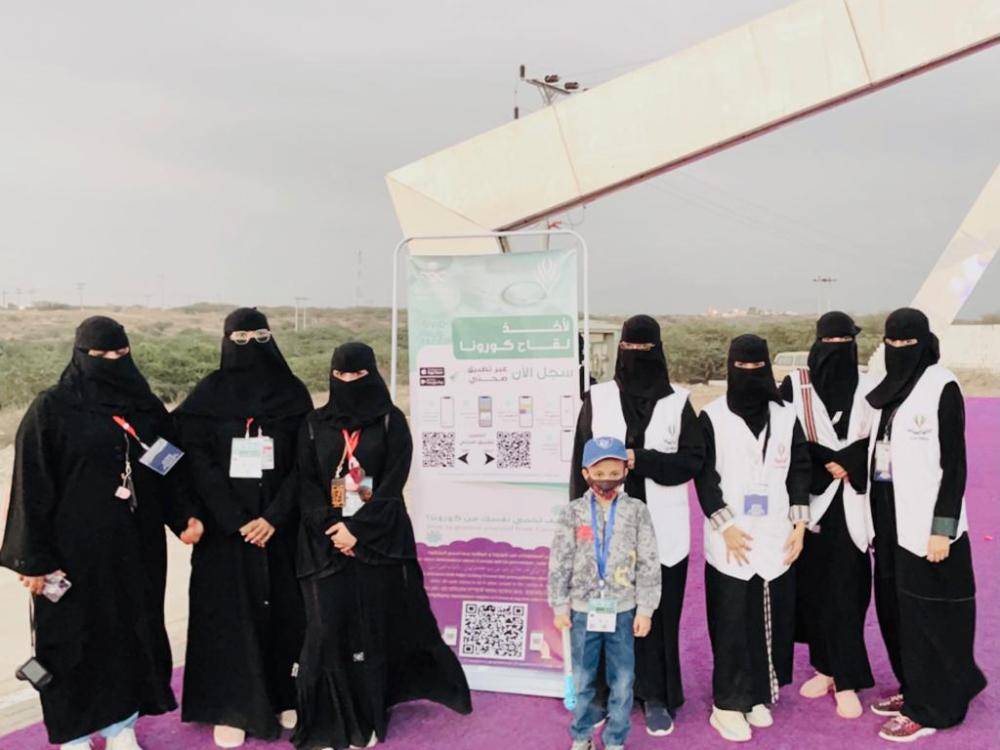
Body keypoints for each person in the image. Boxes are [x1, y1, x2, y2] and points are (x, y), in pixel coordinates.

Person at [0, 316, 204, 750]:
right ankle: (74, 733)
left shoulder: (145, 408)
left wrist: (183, 517)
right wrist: (32, 560)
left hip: (136, 548)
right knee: (71, 641)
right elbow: (29, 486)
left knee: (130, 635)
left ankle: (121, 727)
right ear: (80, 355)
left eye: (120, 353)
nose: (112, 360)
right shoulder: (52, 408)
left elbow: (167, 469)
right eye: (101, 354)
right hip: (69, 555)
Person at [288, 342, 471, 750]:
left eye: (358, 374)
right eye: (341, 375)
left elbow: (391, 483)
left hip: (378, 540)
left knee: (371, 629)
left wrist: (358, 531)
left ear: (372, 373)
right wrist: (333, 527)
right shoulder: (315, 424)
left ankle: (369, 715)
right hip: (324, 544)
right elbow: (307, 483)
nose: (349, 382)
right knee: (327, 628)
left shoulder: (391, 421)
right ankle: (329, 720)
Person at [174, 307, 312, 748]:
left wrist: (274, 516)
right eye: (240, 339)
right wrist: (236, 519)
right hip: (225, 534)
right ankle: (231, 706)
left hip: (280, 530)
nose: (250, 347)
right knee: (228, 618)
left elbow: (307, 461)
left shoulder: (292, 393)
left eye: (259, 337)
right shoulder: (207, 396)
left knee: (286, 614)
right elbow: (196, 461)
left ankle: (285, 694)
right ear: (225, 341)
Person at [569, 315, 704, 735]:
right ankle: (603, 693)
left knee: (658, 615)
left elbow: (692, 461)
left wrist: (640, 460)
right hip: (607, 530)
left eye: (645, 350)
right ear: (620, 350)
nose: (637, 357)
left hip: (663, 532)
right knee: (605, 613)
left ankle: (657, 694)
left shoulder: (678, 402)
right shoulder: (598, 398)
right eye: (631, 349)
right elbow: (579, 465)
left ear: (658, 352)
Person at [864, 308, 986, 742]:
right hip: (888, 520)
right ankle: (915, 686)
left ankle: (933, 708)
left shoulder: (941, 385)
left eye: (907, 342)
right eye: (892, 342)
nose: (899, 349)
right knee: (897, 614)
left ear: (925, 342)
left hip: (926, 527)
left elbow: (955, 465)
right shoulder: (888, 387)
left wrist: (942, 528)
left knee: (930, 618)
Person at [694, 334, 810, 743]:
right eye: (741, 367)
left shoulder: (786, 415)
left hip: (776, 534)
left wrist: (799, 525)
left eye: (756, 367)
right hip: (731, 536)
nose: (749, 374)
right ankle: (727, 703)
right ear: (730, 368)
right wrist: (724, 525)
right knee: (731, 621)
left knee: (770, 617)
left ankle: (757, 693)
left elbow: (800, 470)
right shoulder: (711, 417)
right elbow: (704, 476)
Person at [778, 311, 876, 718]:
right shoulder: (795, 385)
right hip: (810, 504)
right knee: (815, 590)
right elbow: (785, 436)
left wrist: (849, 460)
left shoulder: (870, 386)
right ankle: (825, 668)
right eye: (829, 343)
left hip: (854, 504)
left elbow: (880, 438)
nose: (836, 350)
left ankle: (848, 679)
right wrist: (824, 459)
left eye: (844, 343)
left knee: (848, 593)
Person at [550, 436, 661, 750]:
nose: (606, 480)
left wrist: (645, 609)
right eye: (599, 474)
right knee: (583, 679)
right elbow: (560, 560)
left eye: (614, 473)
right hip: (582, 612)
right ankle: (582, 736)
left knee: (623, 680)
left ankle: (615, 739)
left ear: (625, 471)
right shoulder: (572, 513)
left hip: (623, 610)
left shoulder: (637, 511)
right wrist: (559, 605)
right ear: (585, 473)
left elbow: (649, 561)